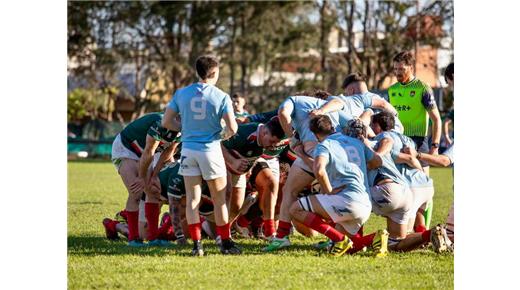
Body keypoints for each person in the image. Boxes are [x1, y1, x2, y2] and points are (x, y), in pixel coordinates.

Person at [162, 55, 240, 256]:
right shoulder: (221, 96)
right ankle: (225, 243)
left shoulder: (181, 93)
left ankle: (197, 246)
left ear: (198, 72)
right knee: (219, 199)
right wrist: (221, 135)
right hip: (211, 150)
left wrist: (185, 129)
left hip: (188, 151)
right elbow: (232, 127)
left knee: (192, 200)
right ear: (214, 72)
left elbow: (167, 122)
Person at [263, 93, 352, 252]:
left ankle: (282, 236)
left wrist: (292, 138)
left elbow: (282, 113)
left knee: (290, 190)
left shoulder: (294, 100)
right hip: (338, 153)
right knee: (337, 195)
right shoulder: (333, 106)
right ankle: (342, 236)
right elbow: (354, 122)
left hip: (312, 151)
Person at [288, 115, 383, 257]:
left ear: (314, 134)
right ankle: (375, 237)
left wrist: (328, 191)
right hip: (364, 203)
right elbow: (377, 161)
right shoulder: (355, 142)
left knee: (295, 209)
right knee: (348, 248)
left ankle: (340, 240)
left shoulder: (324, 145)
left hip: (347, 200)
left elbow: (319, 170)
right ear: (332, 127)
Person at [110, 112, 179, 247]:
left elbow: (168, 153)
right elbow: (149, 151)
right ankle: (133, 239)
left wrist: (154, 177)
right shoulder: (161, 122)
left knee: (153, 191)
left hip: (147, 154)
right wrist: (142, 178)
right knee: (136, 191)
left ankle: (154, 238)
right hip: (127, 150)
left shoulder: (185, 128)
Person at [311, 72, 402, 133]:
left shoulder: (362, 98)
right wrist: (396, 115)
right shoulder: (377, 97)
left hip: (385, 134)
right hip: (398, 131)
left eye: (346, 92)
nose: (346, 95)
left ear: (351, 90)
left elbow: (383, 105)